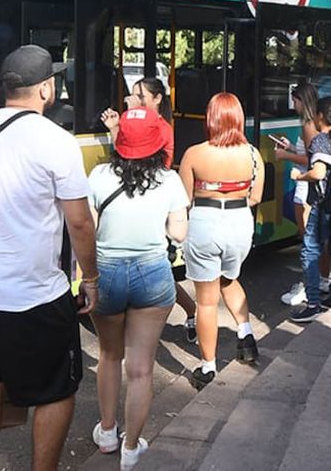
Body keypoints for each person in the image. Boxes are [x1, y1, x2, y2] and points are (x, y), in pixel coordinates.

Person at [0, 45, 98, 471]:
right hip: (35, 297)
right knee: (56, 389)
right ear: (46, 89)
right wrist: (91, 279)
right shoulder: (56, 141)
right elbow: (80, 223)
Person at [87, 108, 189, 469]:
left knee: (109, 355)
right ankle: (131, 449)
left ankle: (107, 432)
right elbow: (179, 233)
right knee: (141, 368)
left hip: (107, 273)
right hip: (152, 274)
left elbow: (89, 230)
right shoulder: (170, 180)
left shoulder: (99, 176)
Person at [179, 92, 265, 389]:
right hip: (240, 223)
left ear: (211, 119)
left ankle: (208, 367)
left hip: (205, 222)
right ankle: (245, 334)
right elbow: (255, 197)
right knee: (228, 279)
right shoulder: (252, 154)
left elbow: (184, 200)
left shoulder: (194, 154)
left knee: (206, 301)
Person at [103, 77, 198, 343]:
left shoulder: (162, 128)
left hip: (153, 203)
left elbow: (144, 158)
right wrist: (117, 127)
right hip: (134, 197)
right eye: (132, 95)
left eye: (141, 96)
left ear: (157, 99)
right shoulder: (137, 123)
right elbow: (125, 151)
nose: (134, 100)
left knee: (155, 269)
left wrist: (130, 116)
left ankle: (190, 309)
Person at [289, 97, 331, 322]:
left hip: (323, 204)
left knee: (310, 251)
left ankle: (313, 303)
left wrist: (299, 176)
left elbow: (318, 173)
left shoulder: (319, 141)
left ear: (320, 116)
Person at [274, 83, 331, 304]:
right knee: (316, 239)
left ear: (303, 101)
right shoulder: (313, 124)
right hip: (309, 187)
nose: (293, 104)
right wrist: (291, 147)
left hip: (305, 186)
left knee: (309, 241)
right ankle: (323, 279)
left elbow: (312, 161)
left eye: (295, 100)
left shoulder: (308, 125)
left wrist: (285, 156)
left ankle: (311, 285)